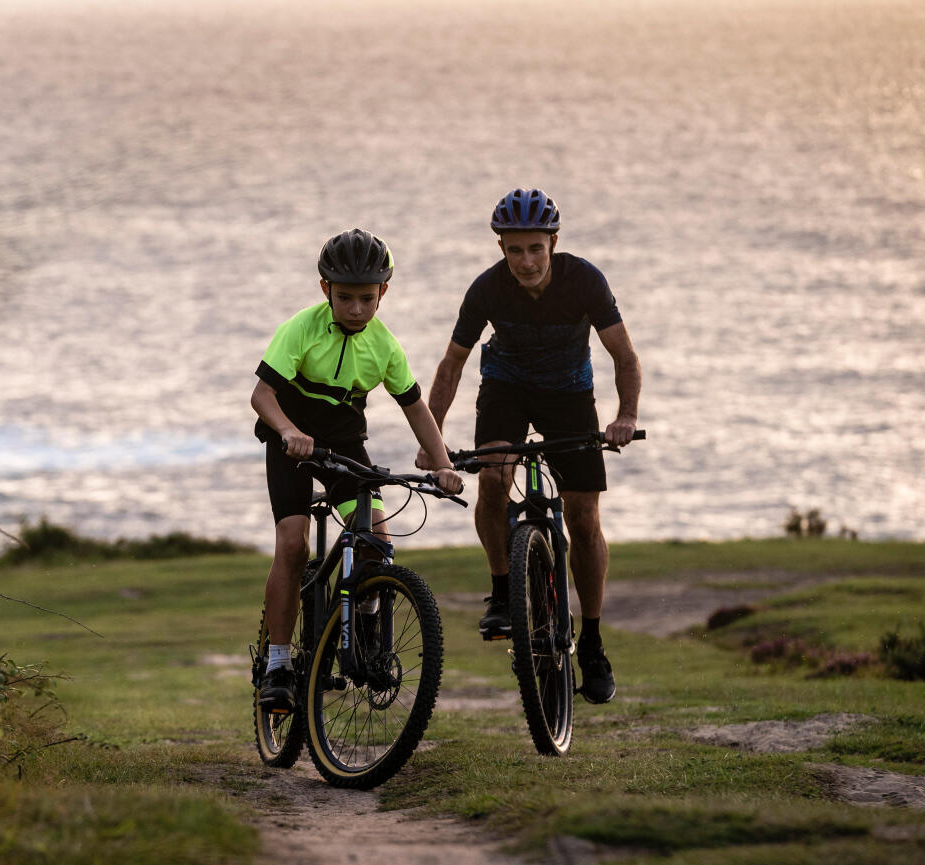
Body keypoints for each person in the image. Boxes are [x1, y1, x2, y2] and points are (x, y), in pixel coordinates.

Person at [416, 188, 641, 703]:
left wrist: (625, 416)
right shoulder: (487, 290)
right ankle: (501, 591)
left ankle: (592, 641)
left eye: (535, 248)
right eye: (514, 250)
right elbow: (451, 365)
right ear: (501, 249)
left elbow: (624, 357)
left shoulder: (585, 281)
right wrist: (434, 441)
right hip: (506, 390)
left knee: (583, 519)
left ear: (553, 243)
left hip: (569, 394)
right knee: (493, 476)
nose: (526, 261)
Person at [251, 229, 463, 715]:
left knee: (377, 542)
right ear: (325, 289)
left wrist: (444, 465)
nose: (355, 309)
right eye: (344, 297)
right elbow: (261, 396)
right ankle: (280, 664)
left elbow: (415, 409)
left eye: (367, 299)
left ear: (383, 293)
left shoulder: (384, 345)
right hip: (290, 443)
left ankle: (365, 623)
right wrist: (288, 430)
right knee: (292, 544)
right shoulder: (300, 329)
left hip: (345, 446)